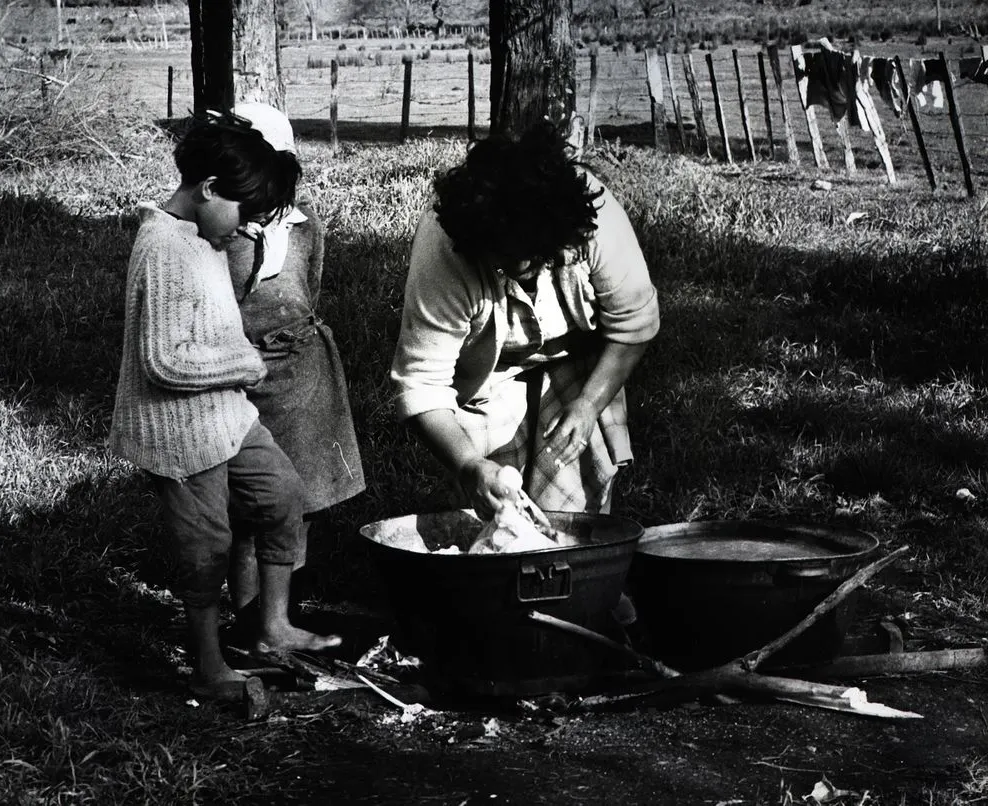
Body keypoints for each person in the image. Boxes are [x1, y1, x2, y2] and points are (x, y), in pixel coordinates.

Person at [108, 110, 340, 701]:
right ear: (210, 189)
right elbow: (164, 361)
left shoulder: (204, 235)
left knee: (283, 495)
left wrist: (238, 362)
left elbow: (218, 325)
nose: (243, 228)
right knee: (206, 545)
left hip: (228, 415)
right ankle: (210, 668)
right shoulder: (163, 247)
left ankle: (273, 627)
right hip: (178, 429)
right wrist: (245, 365)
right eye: (242, 212)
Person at [390, 121, 660, 519]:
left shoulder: (594, 220)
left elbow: (633, 324)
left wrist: (588, 405)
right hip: (485, 373)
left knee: (573, 512)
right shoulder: (445, 245)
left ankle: (575, 568)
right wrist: (469, 466)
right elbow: (422, 382)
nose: (519, 266)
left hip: (579, 360)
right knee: (492, 504)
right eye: (503, 256)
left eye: (533, 255)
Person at [223, 102, 365, 640]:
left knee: (297, 497)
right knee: (245, 505)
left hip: (301, 379)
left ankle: (280, 615)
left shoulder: (307, 230)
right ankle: (245, 618)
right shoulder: (214, 235)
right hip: (239, 375)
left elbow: (309, 294)